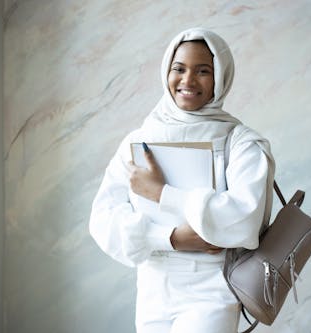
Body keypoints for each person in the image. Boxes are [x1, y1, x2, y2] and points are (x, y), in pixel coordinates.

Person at [89, 27, 275, 333]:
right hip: (153, 289)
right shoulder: (139, 139)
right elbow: (102, 219)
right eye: (179, 69)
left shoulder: (240, 142)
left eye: (203, 71)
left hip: (213, 289)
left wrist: (163, 193)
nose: (187, 80)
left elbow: (244, 219)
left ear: (220, 78)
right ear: (166, 72)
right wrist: (171, 238)